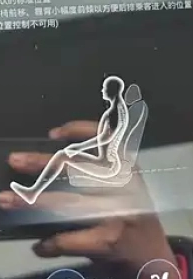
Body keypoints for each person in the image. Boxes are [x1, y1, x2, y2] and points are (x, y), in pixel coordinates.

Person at [8, 75, 137, 204]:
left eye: (105, 88)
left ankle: (33, 192)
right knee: (62, 157)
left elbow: (107, 138)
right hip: (110, 162)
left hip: (113, 168)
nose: (103, 91)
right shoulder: (115, 108)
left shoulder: (118, 110)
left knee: (61, 158)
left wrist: (80, 147)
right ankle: (33, 192)